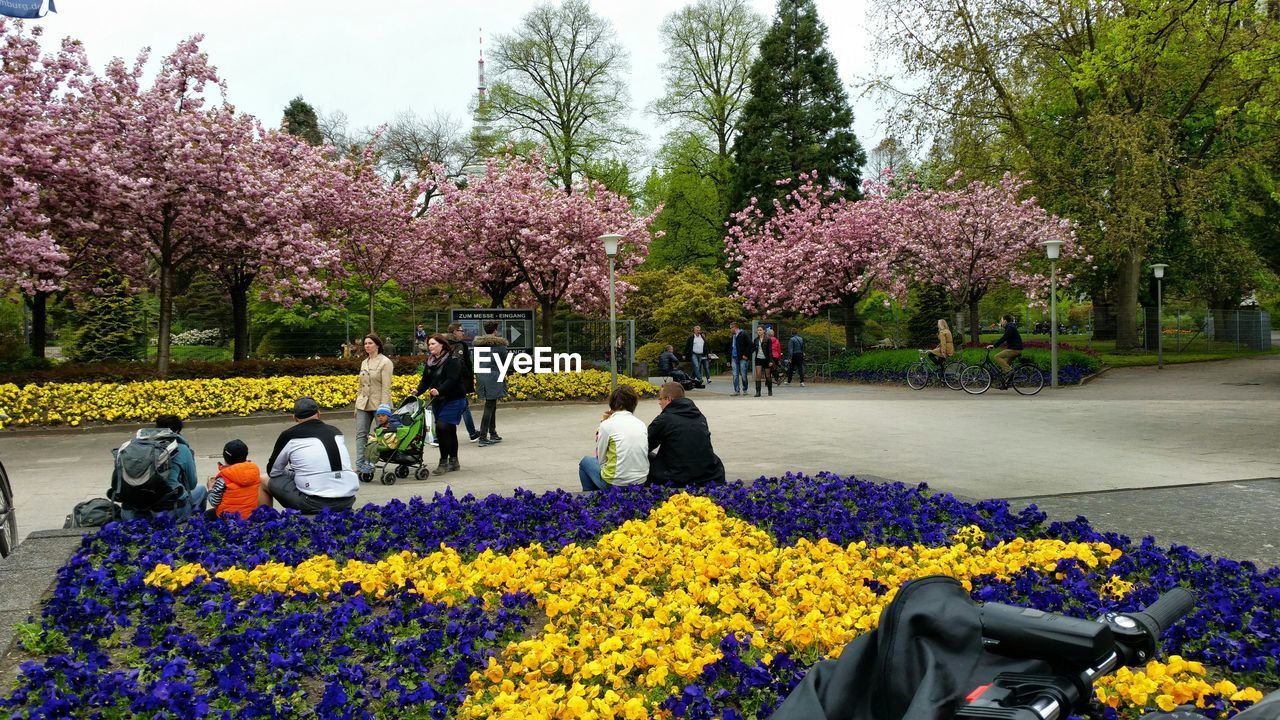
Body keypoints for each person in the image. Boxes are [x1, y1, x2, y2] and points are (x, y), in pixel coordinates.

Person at [265, 398, 359, 514]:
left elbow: (273, 471)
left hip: (312, 502)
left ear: (294, 418)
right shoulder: (336, 432)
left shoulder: (289, 436)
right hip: (348, 499)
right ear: (319, 414)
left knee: (264, 479)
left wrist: (293, 474)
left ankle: (263, 521)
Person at [113, 415, 208, 520]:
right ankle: (197, 525)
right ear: (176, 431)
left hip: (130, 513)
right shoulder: (181, 448)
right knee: (202, 490)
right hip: (167, 513)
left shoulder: (131, 447)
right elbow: (191, 484)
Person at [647, 382, 725, 487]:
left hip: (676, 476)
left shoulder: (665, 419)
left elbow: (645, 445)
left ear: (669, 399)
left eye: (660, 399)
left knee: (643, 456)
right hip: (708, 474)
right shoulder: (700, 416)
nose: (659, 403)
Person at [578, 385, 649, 491]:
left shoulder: (607, 425)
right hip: (640, 482)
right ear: (634, 404)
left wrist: (604, 422)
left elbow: (601, 459)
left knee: (585, 462)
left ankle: (590, 497)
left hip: (616, 484)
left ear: (611, 405)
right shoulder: (641, 424)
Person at [415, 333, 466, 474]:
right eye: (429, 344)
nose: (430, 346)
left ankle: (443, 462)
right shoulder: (430, 361)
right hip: (438, 400)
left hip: (454, 399)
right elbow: (425, 380)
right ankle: (454, 460)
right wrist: (417, 392)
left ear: (442, 344)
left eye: (433, 344)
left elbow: (452, 379)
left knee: (442, 427)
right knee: (449, 430)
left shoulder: (452, 360)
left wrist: (440, 390)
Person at [354, 333, 393, 475]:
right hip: (363, 403)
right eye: (365, 344)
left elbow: (386, 386)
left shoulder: (385, 362)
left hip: (379, 404)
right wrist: (356, 406)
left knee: (380, 436)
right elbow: (360, 385)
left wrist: (384, 408)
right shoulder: (364, 362)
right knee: (360, 434)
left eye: (370, 343)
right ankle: (359, 465)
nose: (367, 346)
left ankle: (371, 463)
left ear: (377, 345)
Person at [207, 439, 270, 519]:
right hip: (249, 516)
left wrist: (210, 488)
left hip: (227, 519)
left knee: (205, 516)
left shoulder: (223, 478)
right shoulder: (254, 471)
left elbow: (214, 502)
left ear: (225, 457)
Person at [473, 320, 508, 446]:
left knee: (491, 404)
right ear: (495, 330)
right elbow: (505, 362)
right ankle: (483, 436)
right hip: (494, 377)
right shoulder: (500, 346)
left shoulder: (478, 345)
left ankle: (493, 432)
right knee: (489, 406)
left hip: (482, 377)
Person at [448, 323, 481, 442]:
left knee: (448, 407)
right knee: (464, 406)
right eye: (461, 330)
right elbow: (460, 364)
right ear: (454, 331)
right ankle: (472, 434)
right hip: (457, 382)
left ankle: (438, 437)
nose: (463, 332)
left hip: (446, 382)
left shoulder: (444, 344)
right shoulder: (460, 345)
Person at [752, 325, 775, 397]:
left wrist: (771, 361)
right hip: (758, 359)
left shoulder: (768, 339)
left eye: (760, 330)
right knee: (758, 374)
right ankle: (758, 392)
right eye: (758, 330)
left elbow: (770, 351)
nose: (759, 331)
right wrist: (746, 354)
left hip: (766, 359)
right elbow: (752, 349)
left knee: (768, 376)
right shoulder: (755, 340)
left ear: (764, 331)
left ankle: (770, 390)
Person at [729, 322, 752, 397]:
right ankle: (737, 390)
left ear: (734, 327)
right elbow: (730, 348)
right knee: (735, 375)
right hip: (734, 357)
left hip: (742, 358)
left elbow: (750, 345)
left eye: (731, 328)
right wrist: (729, 359)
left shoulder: (743, 334)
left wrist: (746, 355)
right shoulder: (732, 336)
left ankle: (745, 389)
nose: (730, 330)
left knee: (743, 374)